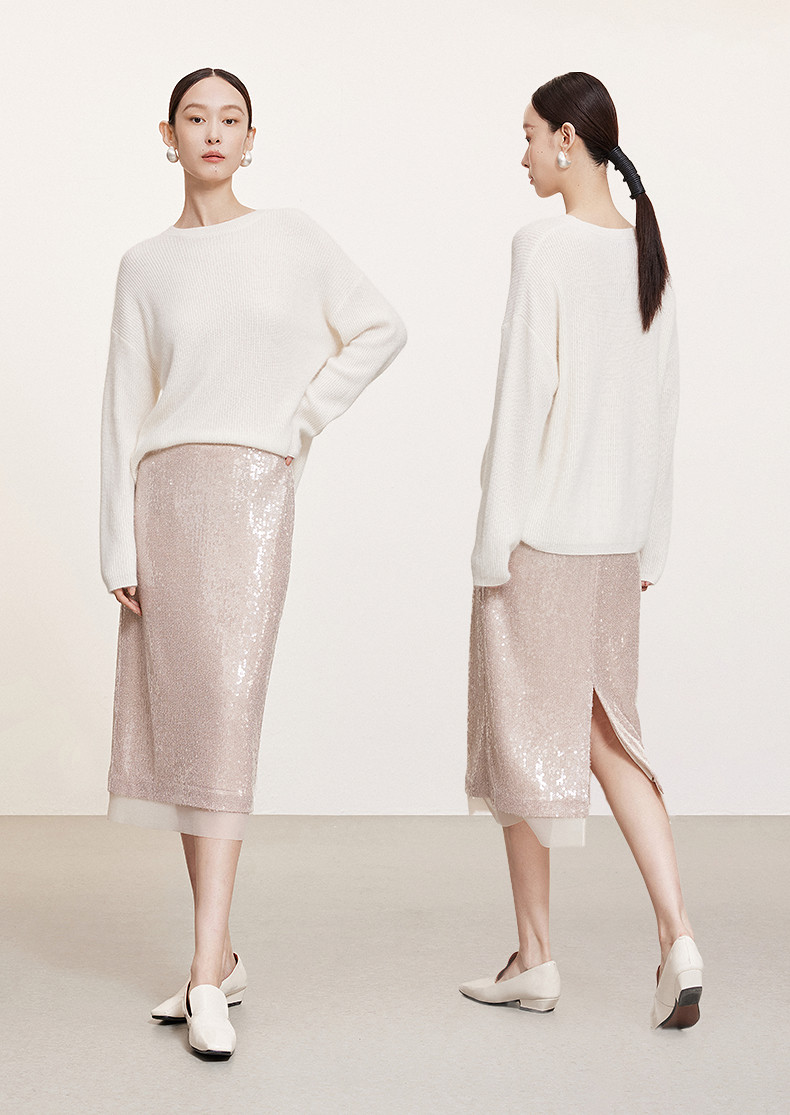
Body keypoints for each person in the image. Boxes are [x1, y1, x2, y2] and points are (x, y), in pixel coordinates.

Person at [99, 67, 407, 1059]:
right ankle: (216, 957)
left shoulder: (294, 236)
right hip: (164, 499)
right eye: (196, 118)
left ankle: (203, 971)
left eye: (230, 118)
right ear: (168, 134)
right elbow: (121, 407)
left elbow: (381, 326)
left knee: (228, 711)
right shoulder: (145, 264)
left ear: (251, 137)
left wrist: (298, 420)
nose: (213, 133)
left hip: (249, 496)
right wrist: (114, 539)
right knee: (192, 723)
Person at [459, 72, 703, 1030]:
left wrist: (492, 541)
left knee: (523, 739)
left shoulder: (545, 247)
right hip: (615, 547)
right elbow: (665, 412)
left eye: (527, 136)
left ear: (567, 139)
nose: (520, 155)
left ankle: (537, 958)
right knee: (610, 738)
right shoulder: (649, 253)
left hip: (541, 539)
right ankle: (678, 934)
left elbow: (526, 396)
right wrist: (653, 542)